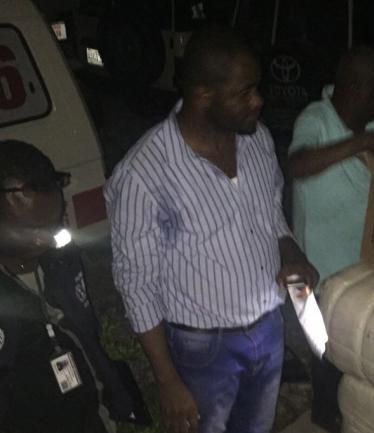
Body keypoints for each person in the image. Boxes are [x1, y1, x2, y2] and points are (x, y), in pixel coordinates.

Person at [104, 26, 318, 433]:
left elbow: (271, 215)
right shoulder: (144, 173)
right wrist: (167, 381)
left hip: (268, 328)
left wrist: (291, 252)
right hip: (204, 348)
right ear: (203, 96)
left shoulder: (256, 140)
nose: (259, 101)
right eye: (245, 92)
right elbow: (136, 285)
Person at [0, 140, 145, 433]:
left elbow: (87, 334)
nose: (46, 239)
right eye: (30, 231)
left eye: (52, 224)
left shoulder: (60, 258)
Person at [287, 45, 374, 290]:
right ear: (354, 89)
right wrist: (362, 143)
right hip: (323, 275)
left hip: (364, 265)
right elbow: (297, 165)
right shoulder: (315, 119)